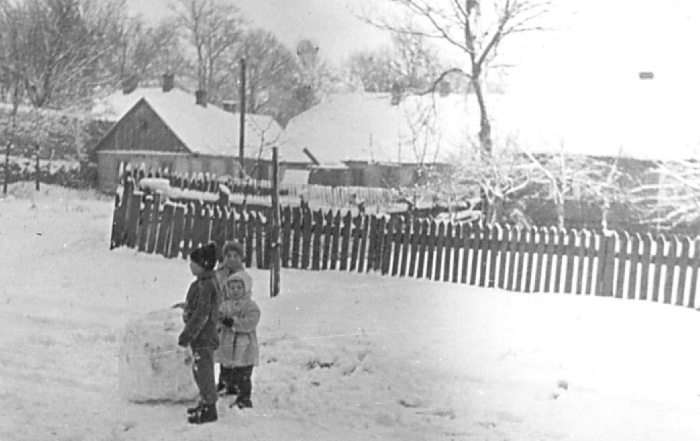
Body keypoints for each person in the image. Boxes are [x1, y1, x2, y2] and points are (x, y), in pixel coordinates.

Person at [177, 242, 221, 424]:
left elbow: (202, 314)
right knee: (200, 371)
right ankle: (205, 402)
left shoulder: (206, 285)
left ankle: (210, 409)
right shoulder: (204, 283)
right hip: (202, 336)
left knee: (204, 372)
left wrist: (187, 335)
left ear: (203, 265)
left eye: (193, 263)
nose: (190, 266)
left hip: (202, 336)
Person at [214, 240, 253, 394]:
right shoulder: (219, 274)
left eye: (236, 256)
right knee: (223, 351)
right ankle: (224, 381)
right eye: (228, 255)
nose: (231, 259)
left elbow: (246, 297)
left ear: (241, 258)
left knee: (239, 354)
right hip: (222, 316)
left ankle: (238, 385)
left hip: (237, 317)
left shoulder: (244, 277)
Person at [220, 272, 260, 409]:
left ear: (246, 289)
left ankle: (244, 398)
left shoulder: (251, 306)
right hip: (227, 343)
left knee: (243, 373)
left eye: (239, 288)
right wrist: (220, 320)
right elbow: (218, 317)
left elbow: (250, 322)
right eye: (232, 288)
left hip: (245, 345)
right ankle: (228, 387)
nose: (235, 291)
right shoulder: (225, 305)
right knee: (226, 369)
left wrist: (233, 322)